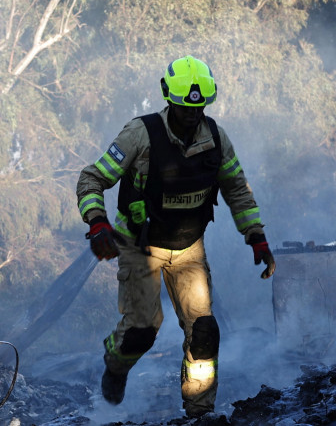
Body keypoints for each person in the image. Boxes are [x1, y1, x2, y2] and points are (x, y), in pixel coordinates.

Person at [75, 55, 276, 418]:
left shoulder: (216, 138)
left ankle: (200, 413)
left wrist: (256, 235)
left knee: (204, 332)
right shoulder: (140, 134)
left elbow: (237, 189)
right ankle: (115, 365)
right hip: (140, 246)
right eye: (185, 108)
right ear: (169, 97)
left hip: (188, 249)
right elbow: (92, 178)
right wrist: (97, 222)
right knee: (142, 331)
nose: (192, 116)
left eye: (199, 108)